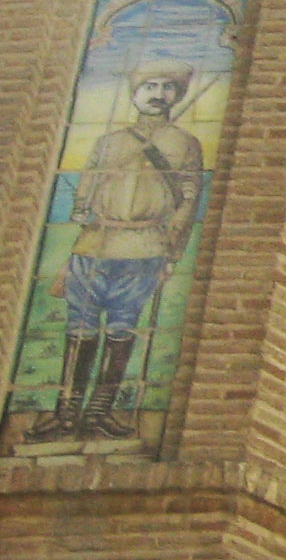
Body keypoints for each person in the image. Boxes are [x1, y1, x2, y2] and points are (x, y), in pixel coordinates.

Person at [32, 60, 201, 442]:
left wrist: (173, 253)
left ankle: (98, 413)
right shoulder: (109, 142)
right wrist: (82, 207)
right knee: (80, 328)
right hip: (95, 244)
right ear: (136, 94)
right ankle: (66, 412)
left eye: (167, 87)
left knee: (123, 329)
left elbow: (188, 200)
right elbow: (87, 185)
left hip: (145, 248)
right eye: (150, 86)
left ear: (176, 95)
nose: (158, 94)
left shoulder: (185, 144)